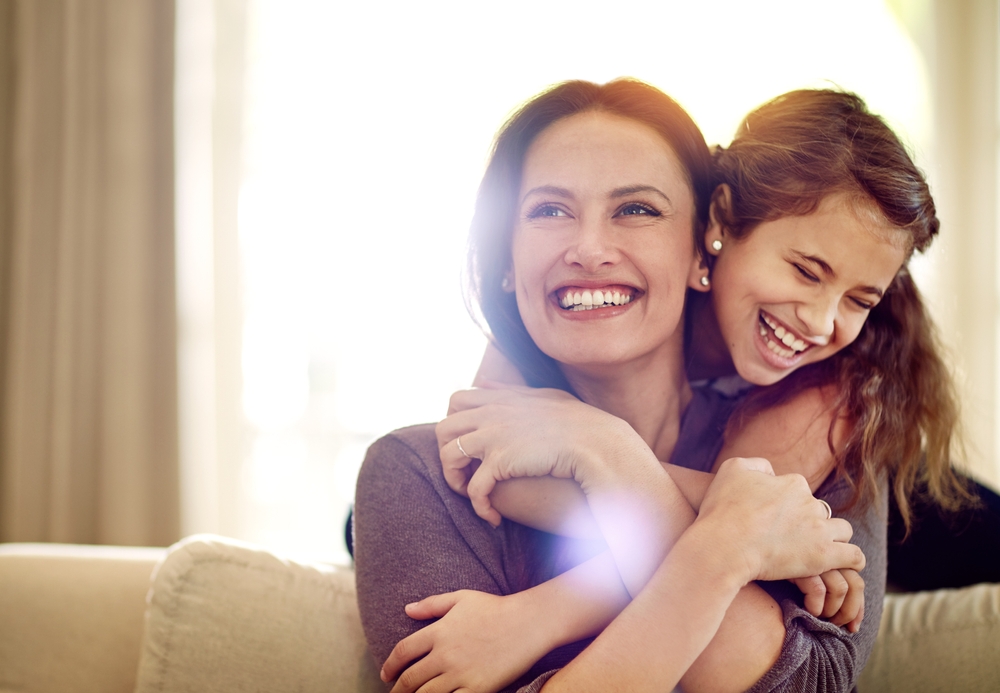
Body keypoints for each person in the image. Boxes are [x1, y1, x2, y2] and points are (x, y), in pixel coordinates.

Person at [354, 80, 892, 693]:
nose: (588, 249)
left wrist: (609, 454)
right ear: (505, 260)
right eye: (549, 211)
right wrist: (725, 549)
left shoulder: (825, 438)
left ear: (703, 248)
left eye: (637, 208)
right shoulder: (416, 473)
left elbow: (812, 688)